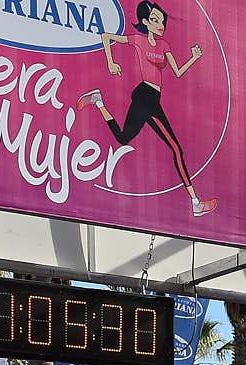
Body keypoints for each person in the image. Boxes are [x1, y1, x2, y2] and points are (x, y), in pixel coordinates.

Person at [77, 4, 217, 218]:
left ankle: (98, 101)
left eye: (162, 21)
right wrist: (111, 63)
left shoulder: (164, 45)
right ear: (145, 22)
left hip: (152, 99)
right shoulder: (138, 40)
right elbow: (106, 36)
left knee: (123, 138)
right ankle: (195, 202)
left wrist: (194, 58)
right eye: (154, 20)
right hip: (145, 97)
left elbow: (178, 72)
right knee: (176, 150)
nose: (160, 25)